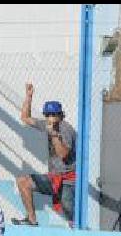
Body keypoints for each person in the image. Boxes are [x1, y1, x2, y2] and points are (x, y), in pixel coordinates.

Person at [11, 83, 77, 227]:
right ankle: (32, 220)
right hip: (53, 178)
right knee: (23, 182)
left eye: (54, 114)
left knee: (72, 216)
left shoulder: (66, 130)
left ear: (61, 115)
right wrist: (29, 97)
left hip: (68, 181)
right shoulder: (47, 125)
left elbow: (63, 155)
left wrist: (53, 134)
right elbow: (25, 118)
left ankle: (78, 232)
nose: (51, 117)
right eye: (48, 114)